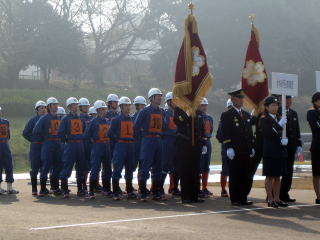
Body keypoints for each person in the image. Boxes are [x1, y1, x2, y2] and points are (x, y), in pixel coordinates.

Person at [220, 89, 255, 206]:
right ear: (232, 99)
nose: (241, 100)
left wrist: (252, 145)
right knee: (235, 175)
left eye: (242, 98)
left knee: (246, 175)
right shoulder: (227, 115)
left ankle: (243, 197)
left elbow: (249, 132)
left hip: (246, 149)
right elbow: (226, 132)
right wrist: (228, 147)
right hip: (234, 150)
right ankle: (235, 199)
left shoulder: (246, 114)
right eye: (239, 98)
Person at [134, 88, 165, 201]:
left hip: (158, 140)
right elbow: (136, 127)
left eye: (160, 96)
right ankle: (142, 191)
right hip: (148, 140)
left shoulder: (162, 112)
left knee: (158, 166)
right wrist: (142, 139)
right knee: (145, 166)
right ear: (151, 98)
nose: (160, 98)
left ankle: (156, 191)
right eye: (157, 96)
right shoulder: (144, 111)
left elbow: (164, 127)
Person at [260, 96, 288, 208]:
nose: (275, 107)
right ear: (267, 107)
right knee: (269, 176)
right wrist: (279, 125)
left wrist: (285, 139)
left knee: (278, 176)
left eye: (276, 105)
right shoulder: (264, 119)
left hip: (279, 150)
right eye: (272, 105)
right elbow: (268, 134)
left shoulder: (279, 117)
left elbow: (280, 133)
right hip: (269, 151)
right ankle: (270, 199)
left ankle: (277, 198)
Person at [173, 106, 205, 203]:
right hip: (184, 143)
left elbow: (201, 127)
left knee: (195, 171)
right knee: (185, 171)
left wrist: (203, 143)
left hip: (196, 144)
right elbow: (177, 121)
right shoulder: (178, 109)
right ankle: (186, 196)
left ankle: (194, 196)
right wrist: (186, 113)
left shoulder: (197, 111)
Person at [108, 97, 137, 200]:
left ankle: (129, 191)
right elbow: (109, 133)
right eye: (125, 105)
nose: (127, 107)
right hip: (120, 146)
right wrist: (118, 139)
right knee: (117, 169)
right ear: (121, 107)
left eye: (129, 105)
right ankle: (115, 191)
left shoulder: (132, 119)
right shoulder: (116, 120)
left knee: (129, 169)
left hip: (130, 146)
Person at [33, 97, 62, 196]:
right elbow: (36, 131)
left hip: (57, 144)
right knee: (45, 166)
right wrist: (45, 136)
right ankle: (42, 189)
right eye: (54, 105)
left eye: (57, 104)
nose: (56, 106)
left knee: (57, 166)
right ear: (49, 106)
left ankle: (55, 188)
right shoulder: (44, 118)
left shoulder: (58, 118)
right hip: (48, 144)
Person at [84, 100, 112, 199]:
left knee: (108, 169)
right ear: (98, 110)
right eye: (102, 109)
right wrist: (93, 142)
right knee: (95, 169)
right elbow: (86, 135)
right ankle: (91, 191)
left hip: (106, 147)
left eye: (105, 109)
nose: (104, 111)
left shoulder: (108, 121)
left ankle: (107, 189)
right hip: (97, 147)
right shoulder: (93, 122)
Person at [58, 97, 86, 198]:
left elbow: (84, 130)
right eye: (74, 105)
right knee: (67, 167)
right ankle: (65, 190)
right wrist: (66, 141)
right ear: (69, 107)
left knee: (80, 167)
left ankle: (80, 190)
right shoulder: (65, 118)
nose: (76, 107)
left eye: (76, 105)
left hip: (80, 145)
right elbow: (60, 133)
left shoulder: (80, 118)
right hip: (70, 145)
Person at [278, 95, 302, 202]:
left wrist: (299, 144)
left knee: (289, 171)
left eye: (290, 101)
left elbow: (297, 130)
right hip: (280, 147)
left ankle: (284, 193)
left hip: (291, 146)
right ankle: (275, 194)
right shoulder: (277, 112)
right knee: (279, 171)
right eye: (286, 101)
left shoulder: (293, 113)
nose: (288, 103)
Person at [22, 100, 47, 195]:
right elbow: (25, 133)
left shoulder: (48, 120)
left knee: (44, 168)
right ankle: (34, 189)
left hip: (45, 146)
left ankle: (43, 189)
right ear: (37, 110)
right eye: (41, 108)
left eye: (45, 108)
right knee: (34, 168)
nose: (44, 110)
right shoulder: (32, 120)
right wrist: (33, 140)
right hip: (35, 147)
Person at [162, 92, 180, 196]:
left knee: (176, 166)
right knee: (165, 165)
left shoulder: (178, 113)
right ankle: (159, 188)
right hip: (168, 140)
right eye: (172, 100)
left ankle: (174, 188)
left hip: (177, 141)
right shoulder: (165, 113)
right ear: (168, 102)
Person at [0, 106, 19, 195]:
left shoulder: (6, 122)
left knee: (9, 166)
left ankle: (10, 188)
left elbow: (8, 136)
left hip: (5, 146)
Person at [216, 99, 233, 197]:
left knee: (234, 170)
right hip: (226, 146)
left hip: (235, 146)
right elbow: (219, 135)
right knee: (225, 169)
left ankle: (232, 189)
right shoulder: (223, 119)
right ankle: (223, 189)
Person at [198, 98, 214, 198]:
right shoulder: (197, 116)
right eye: (202, 105)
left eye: (205, 105)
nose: (204, 107)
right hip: (199, 142)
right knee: (199, 166)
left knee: (206, 166)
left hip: (207, 141)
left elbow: (210, 130)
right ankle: (198, 188)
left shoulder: (209, 118)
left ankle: (204, 188)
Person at [307, 92, 320, 204]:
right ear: (315, 101)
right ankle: (318, 196)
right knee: (316, 174)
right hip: (317, 147)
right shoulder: (311, 113)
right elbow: (316, 127)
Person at [78, 98, 94, 193]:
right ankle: (81, 186)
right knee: (81, 166)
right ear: (80, 107)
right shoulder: (78, 118)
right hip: (81, 144)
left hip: (90, 145)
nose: (86, 108)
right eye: (84, 106)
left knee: (88, 166)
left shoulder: (91, 118)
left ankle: (85, 184)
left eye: (87, 106)